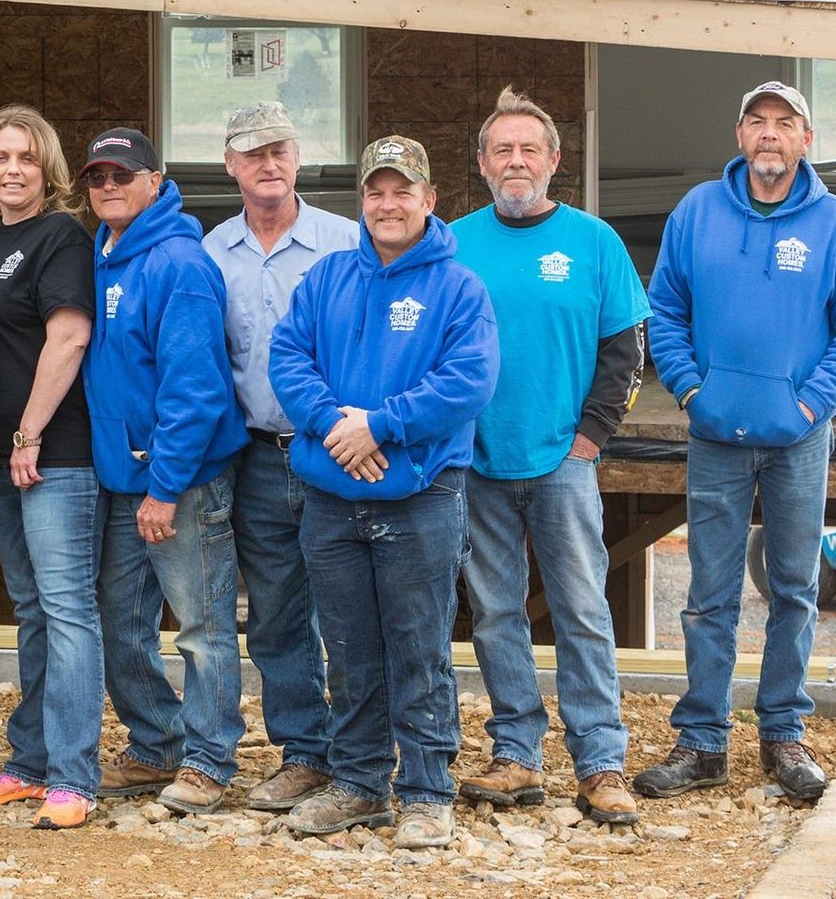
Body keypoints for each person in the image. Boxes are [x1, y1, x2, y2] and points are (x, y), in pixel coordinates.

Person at [635, 81, 836, 803]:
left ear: (806, 140)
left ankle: (784, 736)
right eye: (757, 122)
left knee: (796, 590)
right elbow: (665, 309)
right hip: (716, 434)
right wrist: (688, 390)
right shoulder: (697, 214)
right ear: (739, 136)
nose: (770, 134)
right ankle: (703, 741)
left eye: (785, 123)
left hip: (799, 439)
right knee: (708, 595)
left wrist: (810, 402)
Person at [271, 135, 497, 849]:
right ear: (362, 201)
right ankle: (360, 783)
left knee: (419, 643)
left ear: (430, 201)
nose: (388, 203)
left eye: (404, 191)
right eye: (377, 191)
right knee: (349, 646)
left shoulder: (459, 287)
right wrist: (337, 425)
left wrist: (382, 426)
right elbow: (288, 356)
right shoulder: (327, 278)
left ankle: (428, 790)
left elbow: (468, 381)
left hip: (421, 495)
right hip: (331, 495)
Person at [452, 87, 648, 825]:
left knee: (582, 610)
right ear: (481, 163)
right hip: (476, 459)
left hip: (564, 460)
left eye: (529, 148)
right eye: (502, 149)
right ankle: (516, 756)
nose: (515, 160)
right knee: (497, 613)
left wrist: (592, 436)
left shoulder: (594, 242)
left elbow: (625, 350)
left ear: (555, 160)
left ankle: (601, 763)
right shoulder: (454, 241)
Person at [80, 127, 248, 815]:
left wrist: (166, 486)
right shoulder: (107, 254)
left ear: (156, 180)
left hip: (182, 480)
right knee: (120, 621)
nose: (110, 186)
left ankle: (210, 760)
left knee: (202, 627)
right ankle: (156, 744)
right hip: (126, 481)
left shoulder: (177, 262)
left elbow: (196, 389)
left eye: (124, 174)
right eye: (98, 177)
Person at [0, 105, 102, 830]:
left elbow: (68, 337)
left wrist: (29, 434)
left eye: (27, 158)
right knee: (35, 610)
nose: (12, 169)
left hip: (53, 455)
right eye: (0, 157)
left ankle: (74, 775)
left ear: (49, 170)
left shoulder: (61, 237)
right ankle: (30, 762)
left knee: (68, 610)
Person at [200, 101, 351, 813]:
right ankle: (306, 754)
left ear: (298, 158)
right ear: (230, 165)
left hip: (341, 454)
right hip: (258, 457)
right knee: (277, 615)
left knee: (351, 608)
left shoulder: (346, 243)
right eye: (253, 153)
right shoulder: (211, 251)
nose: (269, 164)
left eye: (280, 150)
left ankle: (362, 755)